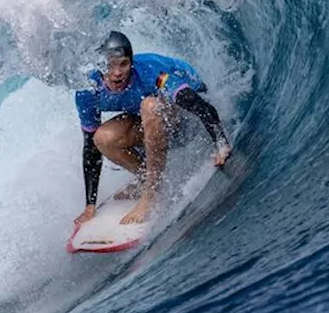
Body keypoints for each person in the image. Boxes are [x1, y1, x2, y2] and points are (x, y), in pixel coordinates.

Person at [75, 30, 232, 227]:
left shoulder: (153, 72)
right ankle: (145, 178)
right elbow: (90, 147)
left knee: (150, 106)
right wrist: (90, 205)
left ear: (131, 62)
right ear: (100, 66)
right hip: (151, 125)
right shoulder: (89, 91)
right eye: (109, 65)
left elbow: (200, 106)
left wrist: (221, 144)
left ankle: (152, 193)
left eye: (123, 64)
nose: (117, 73)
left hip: (187, 120)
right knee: (101, 138)